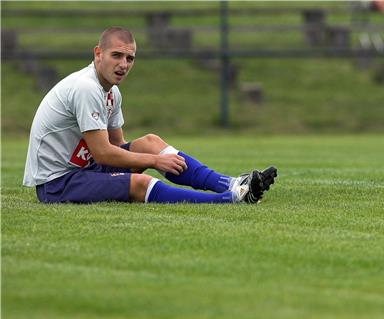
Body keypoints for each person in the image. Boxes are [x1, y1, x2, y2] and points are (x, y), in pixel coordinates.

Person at [23, 27, 277, 204]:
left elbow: (118, 147)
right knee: (140, 183)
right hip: (58, 183)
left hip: (86, 170)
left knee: (151, 142)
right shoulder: (86, 87)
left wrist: (151, 155)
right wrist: (154, 162)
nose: (124, 64)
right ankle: (230, 199)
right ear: (97, 53)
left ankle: (232, 183)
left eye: (130, 58)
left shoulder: (111, 93)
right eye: (117, 55)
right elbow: (104, 154)